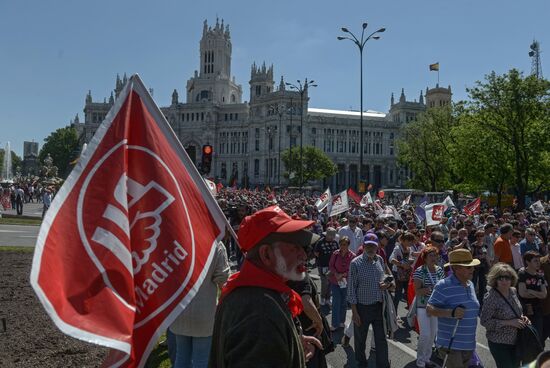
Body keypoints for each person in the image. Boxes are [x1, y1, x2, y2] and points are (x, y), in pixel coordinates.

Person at [209, 205, 322, 368]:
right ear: (266, 254)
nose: (304, 255)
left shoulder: (254, 296)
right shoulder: (259, 316)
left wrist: (292, 342)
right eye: (294, 247)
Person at [168, 241, 230, 368]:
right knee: (201, 360)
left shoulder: (176, 240)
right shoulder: (215, 243)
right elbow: (223, 278)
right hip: (203, 313)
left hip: (179, 310)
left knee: (182, 356)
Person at [427, 249, 481, 368]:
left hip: (469, 344)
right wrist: (451, 312)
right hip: (451, 345)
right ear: (456, 268)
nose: (473, 269)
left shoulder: (470, 284)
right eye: (469, 267)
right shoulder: (443, 285)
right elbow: (429, 309)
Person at [348, 232, 394, 368]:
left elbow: (387, 277)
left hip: (379, 306)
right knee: (360, 340)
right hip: (362, 308)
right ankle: (361, 363)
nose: (370, 249)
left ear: (377, 247)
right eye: (368, 246)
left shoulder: (379, 259)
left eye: (373, 246)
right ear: (363, 246)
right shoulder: (355, 263)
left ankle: (383, 365)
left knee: (381, 339)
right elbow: (351, 290)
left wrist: (388, 284)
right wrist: (354, 312)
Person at [480, 263, 529, 368]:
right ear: (495, 279)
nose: (504, 281)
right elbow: (484, 321)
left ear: (512, 279)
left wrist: (523, 318)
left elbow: (517, 311)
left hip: (516, 340)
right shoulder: (491, 297)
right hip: (499, 342)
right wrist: (509, 322)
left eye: (507, 277)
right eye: (500, 278)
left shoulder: (513, 291)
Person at [413, 246, 445, 368]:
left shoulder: (439, 270)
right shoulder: (420, 271)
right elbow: (417, 291)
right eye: (430, 256)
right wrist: (427, 289)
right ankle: (420, 360)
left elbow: (442, 287)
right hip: (423, 306)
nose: (433, 258)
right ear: (425, 258)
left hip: (436, 306)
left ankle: (427, 358)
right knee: (425, 334)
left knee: (433, 334)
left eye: (435, 255)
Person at [518, 251, 548, 343]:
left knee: (537, 334)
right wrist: (537, 293)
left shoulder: (540, 276)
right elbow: (522, 293)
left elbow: (544, 294)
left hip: (537, 309)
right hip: (524, 309)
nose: (538, 263)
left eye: (539, 261)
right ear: (527, 262)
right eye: (535, 261)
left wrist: (530, 291)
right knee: (526, 335)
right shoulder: (522, 274)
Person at [328, 236, 355, 330]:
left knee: (343, 303)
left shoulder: (352, 256)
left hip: (346, 282)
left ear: (348, 245)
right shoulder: (335, 253)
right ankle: (334, 324)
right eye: (341, 244)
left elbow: (352, 269)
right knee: (336, 302)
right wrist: (336, 274)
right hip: (335, 281)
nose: (342, 246)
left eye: (345, 244)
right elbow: (331, 265)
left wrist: (343, 274)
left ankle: (341, 322)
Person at [389, 231, 415, 312]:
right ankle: (394, 314)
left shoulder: (410, 248)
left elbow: (409, 258)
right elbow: (391, 259)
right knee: (398, 294)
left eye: (411, 240)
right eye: (409, 240)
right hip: (398, 274)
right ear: (403, 240)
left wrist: (410, 261)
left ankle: (410, 314)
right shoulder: (397, 248)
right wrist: (401, 264)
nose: (411, 242)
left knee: (408, 293)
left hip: (407, 274)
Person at [313, 227, 339, 306]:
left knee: (331, 282)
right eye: (331, 236)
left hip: (332, 266)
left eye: (333, 236)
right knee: (325, 282)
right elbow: (316, 253)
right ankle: (322, 297)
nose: (332, 237)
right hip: (323, 265)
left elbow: (337, 251)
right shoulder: (320, 242)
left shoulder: (335, 242)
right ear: (327, 235)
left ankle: (328, 298)